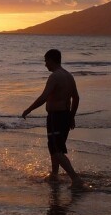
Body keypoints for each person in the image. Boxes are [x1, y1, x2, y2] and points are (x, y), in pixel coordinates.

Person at [22, 49, 83, 187]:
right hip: (65, 116)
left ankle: (75, 179)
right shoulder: (69, 75)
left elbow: (44, 97)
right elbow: (76, 98)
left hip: (56, 117)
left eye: (46, 61)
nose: (45, 65)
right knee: (56, 148)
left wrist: (29, 109)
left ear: (51, 60)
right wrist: (71, 116)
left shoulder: (55, 76)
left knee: (56, 150)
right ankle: (54, 175)